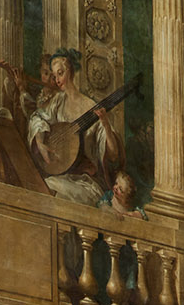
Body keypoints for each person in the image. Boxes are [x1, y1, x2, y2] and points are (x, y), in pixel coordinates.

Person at [26, 47, 121, 204]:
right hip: (61, 173)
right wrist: (40, 142)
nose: (56, 80)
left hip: (85, 182)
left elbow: (113, 154)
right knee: (43, 188)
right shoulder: (58, 101)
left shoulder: (91, 106)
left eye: (60, 73)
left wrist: (105, 123)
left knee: (52, 193)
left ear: (69, 70)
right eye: (54, 75)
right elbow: (38, 117)